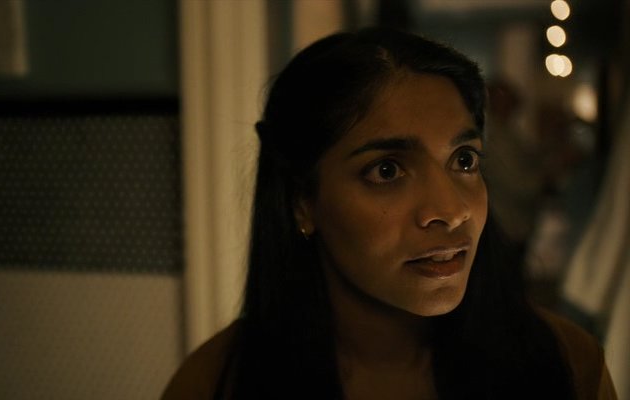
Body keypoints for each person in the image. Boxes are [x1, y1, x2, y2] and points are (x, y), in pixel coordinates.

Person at [162, 27, 616, 400]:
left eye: (463, 160)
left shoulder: (567, 366)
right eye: (387, 170)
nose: (451, 211)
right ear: (303, 201)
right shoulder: (216, 384)